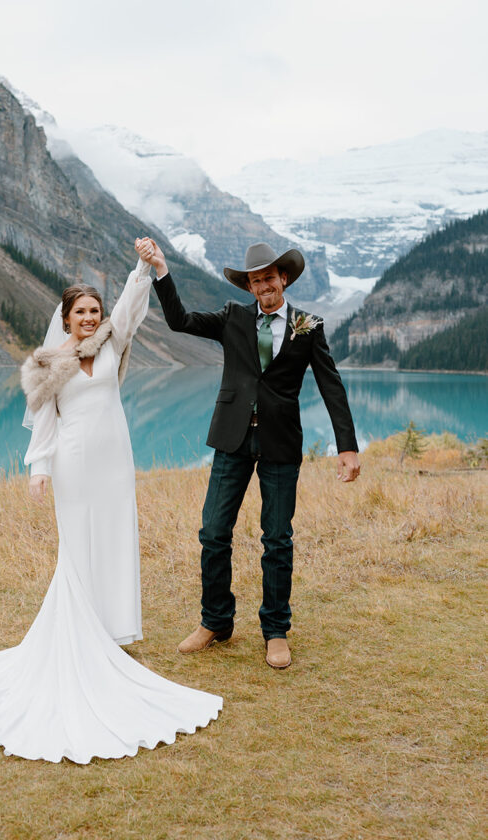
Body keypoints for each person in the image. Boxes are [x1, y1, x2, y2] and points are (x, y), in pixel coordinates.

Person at [0, 246, 222, 763]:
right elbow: (46, 422)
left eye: (95, 311)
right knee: (76, 549)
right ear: (66, 319)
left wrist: (145, 267)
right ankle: (79, 637)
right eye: (81, 313)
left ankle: (112, 632)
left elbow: (133, 306)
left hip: (116, 461)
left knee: (116, 539)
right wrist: (40, 470)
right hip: (73, 464)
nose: (90, 319)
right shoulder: (48, 364)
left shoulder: (115, 341)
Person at [136, 237, 360, 670]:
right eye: (256, 281)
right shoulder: (232, 318)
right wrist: (162, 270)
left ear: (284, 279)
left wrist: (346, 445)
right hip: (232, 439)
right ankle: (216, 622)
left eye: (269, 279)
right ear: (250, 286)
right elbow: (179, 321)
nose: (263, 287)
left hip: (280, 442)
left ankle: (276, 630)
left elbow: (332, 386)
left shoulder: (309, 326)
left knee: (277, 539)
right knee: (213, 532)